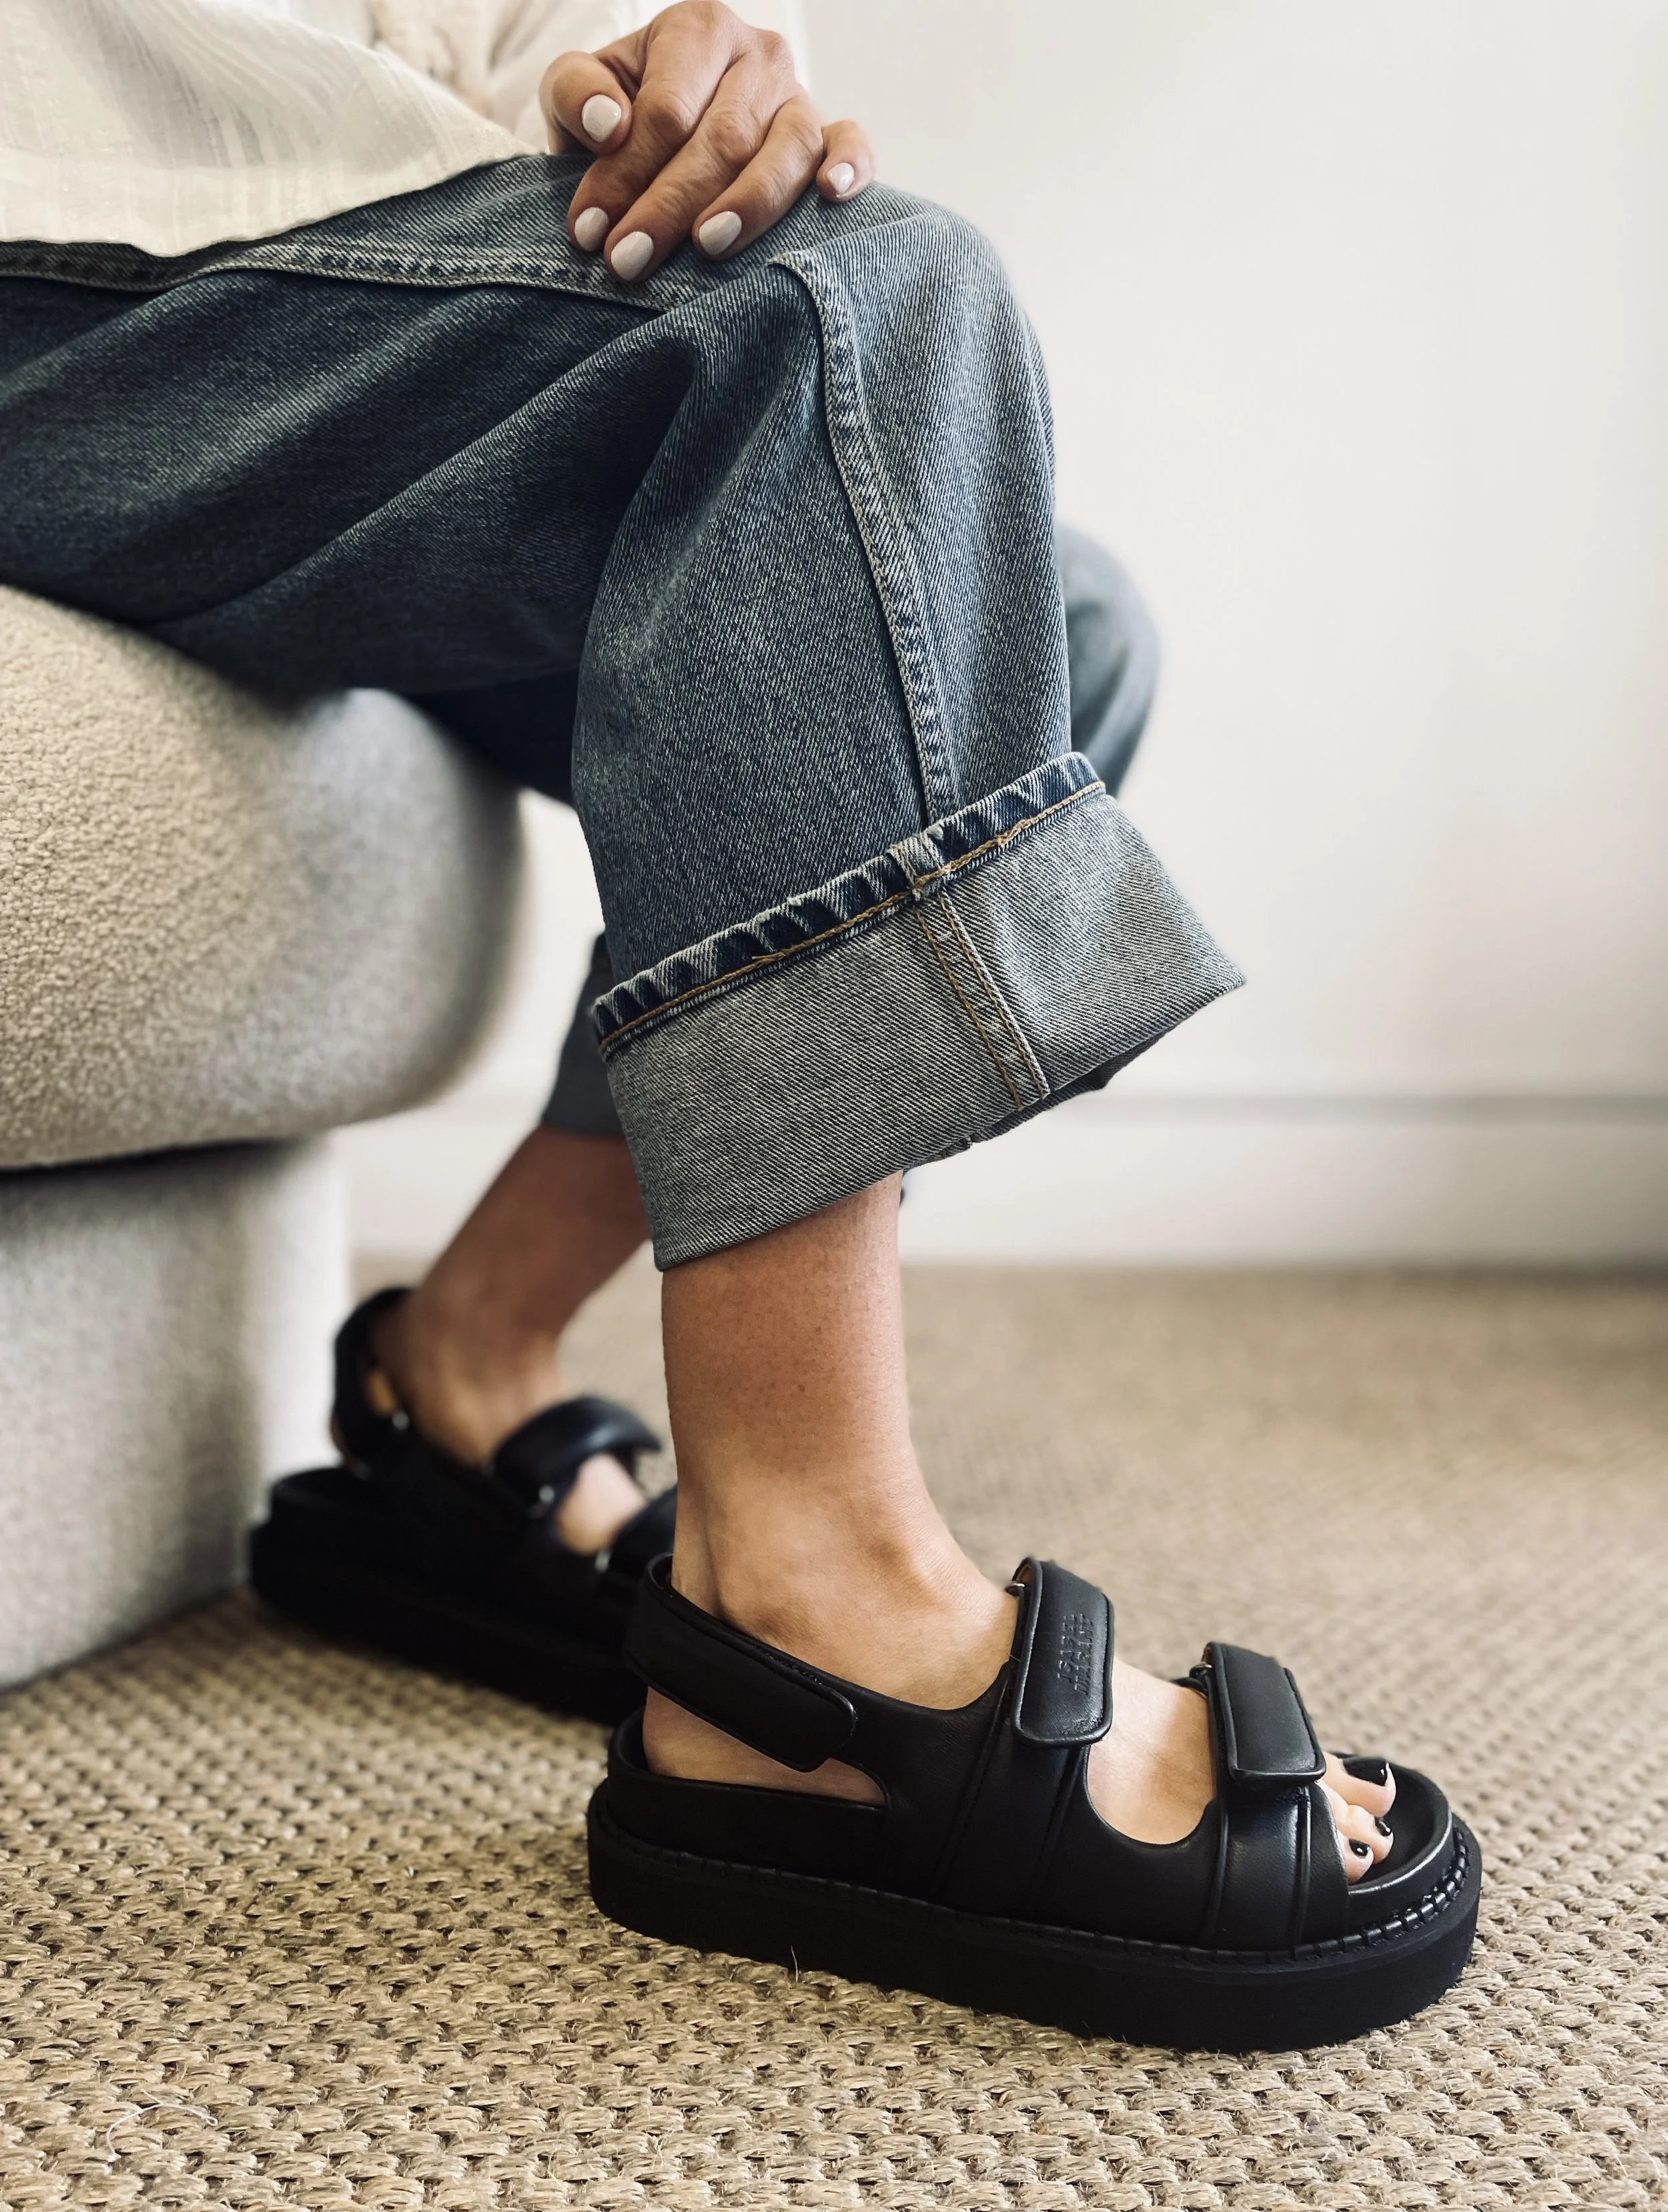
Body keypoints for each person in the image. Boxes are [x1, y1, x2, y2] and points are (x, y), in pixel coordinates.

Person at [0, 0, 1475, 2049]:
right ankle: (802, 1591)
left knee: (1043, 618)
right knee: (855, 320)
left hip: (326, 244)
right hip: (55, 250)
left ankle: (463, 1360)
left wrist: (637, 85)